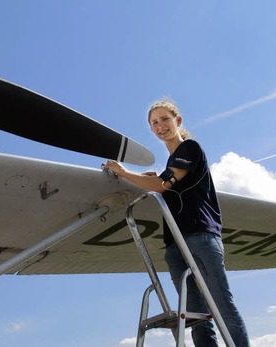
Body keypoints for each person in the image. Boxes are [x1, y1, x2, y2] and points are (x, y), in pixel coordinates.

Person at [102, 99, 250, 347]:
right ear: (151, 129)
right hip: (175, 243)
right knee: (194, 316)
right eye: (154, 123)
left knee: (221, 304)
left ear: (178, 121)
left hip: (201, 236)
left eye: (165, 119)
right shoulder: (172, 163)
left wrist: (124, 173)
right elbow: (164, 183)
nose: (160, 126)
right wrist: (151, 178)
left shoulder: (189, 148)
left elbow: (163, 184)